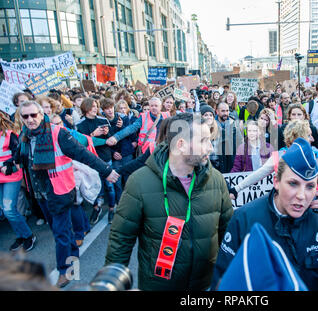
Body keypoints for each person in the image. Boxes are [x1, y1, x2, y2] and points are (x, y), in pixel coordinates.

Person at [211, 137, 318, 291]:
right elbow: (223, 281)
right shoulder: (245, 218)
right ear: (276, 181)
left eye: (310, 186)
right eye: (293, 184)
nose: (302, 196)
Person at [104, 113, 233, 291]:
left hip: (206, 285)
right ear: (180, 145)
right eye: (203, 141)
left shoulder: (216, 180)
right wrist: (113, 285)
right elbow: (121, 241)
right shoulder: (140, 182)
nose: (210, 148)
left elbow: (228, 234)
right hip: (159, 286)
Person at [15, 101, 119, 288]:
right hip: (40, 193)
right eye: (25, 116)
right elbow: (21, 158)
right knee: (60, 231)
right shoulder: (25, 135)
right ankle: (73, 253)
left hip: (60, 191)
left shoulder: (57, 133)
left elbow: (83, 154)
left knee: (60, 234)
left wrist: (106, 170)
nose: (30, 120)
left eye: (33, 115)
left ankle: (66, 270)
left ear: (41, 114)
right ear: (21, 118)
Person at [76, 98, 116, 224]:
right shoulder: (80, 124)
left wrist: (108, 133)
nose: (95, 108)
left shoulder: (103, 120)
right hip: (90, 159)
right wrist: (93, 135)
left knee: (110, 186)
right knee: (94, 186)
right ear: (86, 108)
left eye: (96, 106)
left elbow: (111, 140)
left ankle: (111, 209)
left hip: (105, 157)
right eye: (92, 106)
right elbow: (80, 144)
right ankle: (96, 208)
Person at [0, 111, 35, 252]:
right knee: (5, 209)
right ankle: (21, 235)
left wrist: (8, 166)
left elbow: (19, 154)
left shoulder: (9, 134)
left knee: (8, 209)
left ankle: (28, 236)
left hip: (10, 175)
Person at [106, 97, 171, 156]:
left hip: (161, 151)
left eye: (156, 106)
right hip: (146, 152)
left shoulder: (167, 116)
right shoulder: (143, 117)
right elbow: (131, 128)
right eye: (152, 106)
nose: (153, 107)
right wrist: (116, 137)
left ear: (160, 107)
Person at [214, 102, 243, 174]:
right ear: (217, 111)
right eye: (223, 111)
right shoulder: (212, 124)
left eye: (227, 111)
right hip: (217, 161)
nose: (225, 113)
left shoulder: (233, 123)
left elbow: (240, 142)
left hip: (231, 160)